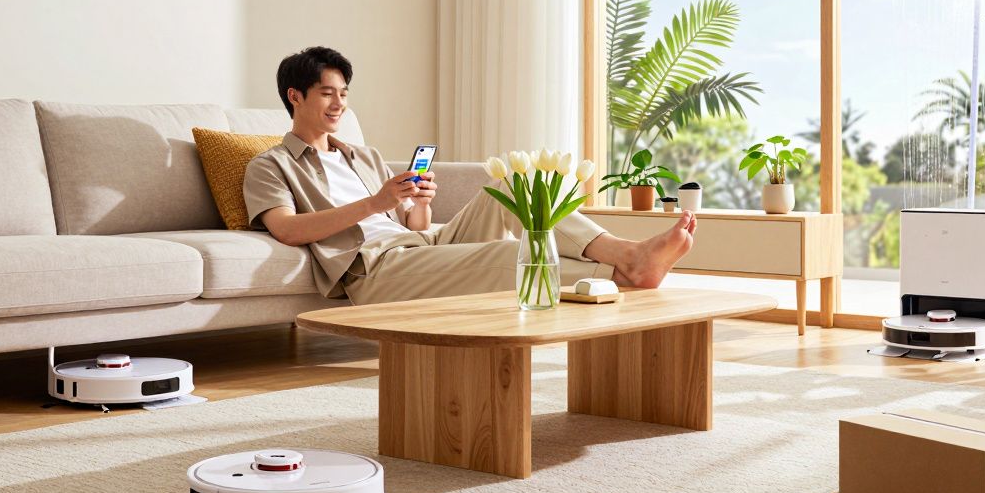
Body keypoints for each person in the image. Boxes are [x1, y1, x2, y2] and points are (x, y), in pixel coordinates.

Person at [243, 46, 698, 305]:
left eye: (344, 93)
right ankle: (616, 273)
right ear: (295, 96)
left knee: (517, 182)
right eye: (327, 94)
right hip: (375, 269)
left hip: (420, 247)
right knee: (509, 254)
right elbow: (285, 230)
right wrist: (375, 203)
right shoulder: (271, 165)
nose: (339, 103)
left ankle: (623, 254)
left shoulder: (362, 155)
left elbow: (411, 228)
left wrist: (417, 205)